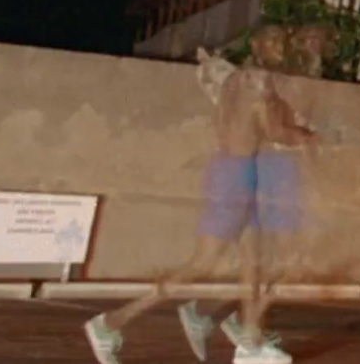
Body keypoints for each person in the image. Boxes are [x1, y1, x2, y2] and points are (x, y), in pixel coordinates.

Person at [84, 47, 317, 364]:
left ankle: (249, 343)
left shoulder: (236, 78)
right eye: (278, 42)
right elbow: (276, 131)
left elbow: (225, 90)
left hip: (234, 171)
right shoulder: (260, 84)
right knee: (202, 264)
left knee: (253, 260)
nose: (283, 49)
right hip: (236, 177)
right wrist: (308, 135)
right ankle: (111, 323)